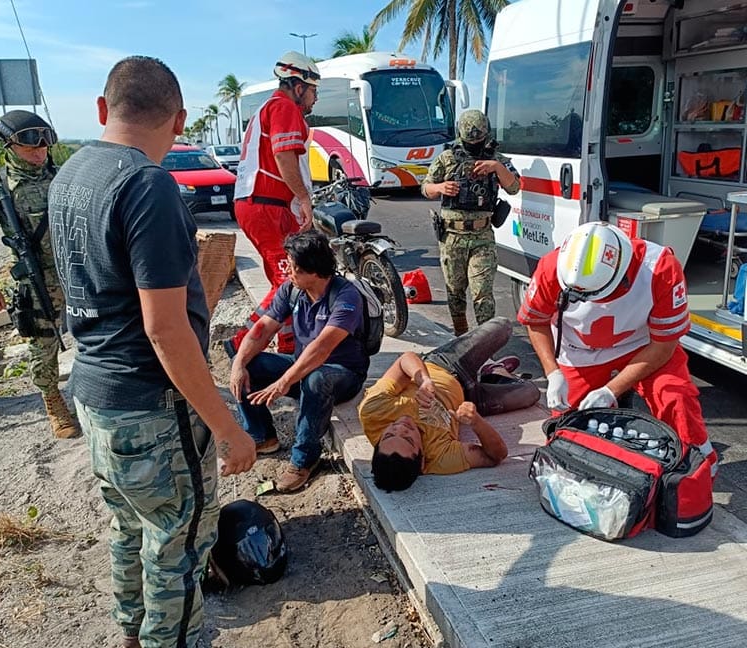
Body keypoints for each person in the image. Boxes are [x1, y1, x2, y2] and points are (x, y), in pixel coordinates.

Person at [47, 56, 256, 648]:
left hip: (92, 391)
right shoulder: (147, 184)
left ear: (100, 108)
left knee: (129, 526)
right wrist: (227, 428)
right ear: (181, 119)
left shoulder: (71, 174)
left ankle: (132, 635)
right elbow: (165, 330)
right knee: (178, 544)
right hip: (149, 404)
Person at [517, 221, 718, 473]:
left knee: (676, 397)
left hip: (643, 347)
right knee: (568, 425)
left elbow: (664, 346)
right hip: (579, 351)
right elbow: (535, 322)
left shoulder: (659, 268)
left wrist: (611, 390)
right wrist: (553, 373)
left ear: (623, 275)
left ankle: (698, 466)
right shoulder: (551, 267)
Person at [228, 230, 369, 493]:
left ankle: (305, 459)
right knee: (249, 364)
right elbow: (262, 330)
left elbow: (322, 349)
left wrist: (284, 382)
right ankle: (262, 436)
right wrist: (238, 363)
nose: (288, 272)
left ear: (313, 271)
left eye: (294, 268)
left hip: (343, 374)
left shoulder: (345, 297)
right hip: (301, 365)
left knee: (316, 378)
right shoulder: (292, 291)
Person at [0, 110, 78, 439]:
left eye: (46, 140)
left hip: (75, 271)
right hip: (35, 279)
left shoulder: (63, 177)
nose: (40, 148)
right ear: (8, 143)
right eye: (30, 141)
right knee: (42, 345)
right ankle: (53, 401)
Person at [359, 317, 535, 492]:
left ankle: (491, 371)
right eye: (407, 438)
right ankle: (495, 372)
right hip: (469, 401)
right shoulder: (439, 459)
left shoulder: (372, 411)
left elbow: (405, 359)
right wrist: (476, 422)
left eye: (388, 435)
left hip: (444, 365)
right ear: (422, 460)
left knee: (502, 327)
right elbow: (495, 456)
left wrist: (424, 380)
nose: (400, 427)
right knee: (530, 393)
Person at [228, 50, 320, 356]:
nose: (315, 99)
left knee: (280, 278)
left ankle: (288, 345)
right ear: (298, 86)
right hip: (266, 205)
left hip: (258, 204)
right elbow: (283, 155)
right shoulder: (284, 107)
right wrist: (304, 198)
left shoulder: (267, 108)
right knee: (290, 281)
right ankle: (242, 344)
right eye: (313, 90)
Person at [422, 109, 521, 336]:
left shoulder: (496, 159)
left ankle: (486, 343)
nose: (475, 146)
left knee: (482, 294)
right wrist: (440, 188)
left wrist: (495, 167)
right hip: (452, 238)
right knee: (455, 293)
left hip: (481, 237)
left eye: (479, 141)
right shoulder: (446, 158)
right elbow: (425, 188)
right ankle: (461, 337)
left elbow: (514, 187)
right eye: (470, 142)